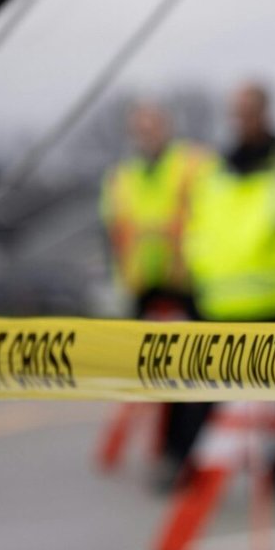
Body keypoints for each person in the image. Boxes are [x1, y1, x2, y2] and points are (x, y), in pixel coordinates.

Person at [171, 81, 275, 489]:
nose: (240, 121)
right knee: (203, 395)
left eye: (248, 111)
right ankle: (191, 471)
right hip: (219, 301)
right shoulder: (216, 170)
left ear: (266, 113)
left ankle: (272, 472)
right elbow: (201, 228)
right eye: (236, 112)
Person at [100, 101, 209, 489]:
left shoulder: (193, 166)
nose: (147, 134)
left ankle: (181, 455)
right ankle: (168, 454)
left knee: (192, 378)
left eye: (153, 126)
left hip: (188, 286)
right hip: (143, 288)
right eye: (140, 128)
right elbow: (114, 233)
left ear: (168, 127)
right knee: (154, 376)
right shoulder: (123, 176)